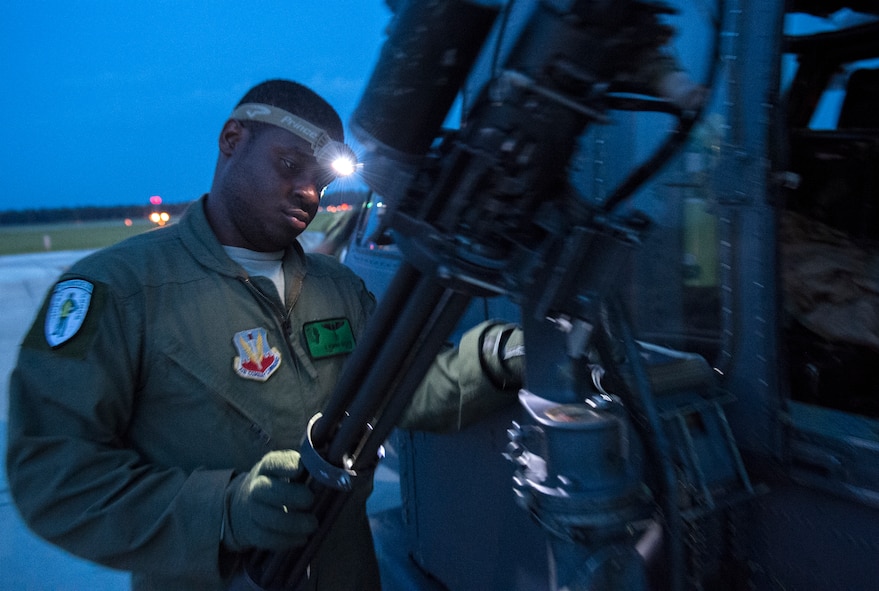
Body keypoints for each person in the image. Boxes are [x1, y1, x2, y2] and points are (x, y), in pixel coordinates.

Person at [5, 79, 523, 590]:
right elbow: (55, 478)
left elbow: (396, 388)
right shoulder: (117, 291)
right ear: (233, 140)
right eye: (290, 166)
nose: (308, 192)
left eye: (321, 183)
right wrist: (225, 510)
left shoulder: (338, 288)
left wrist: (499, 354)